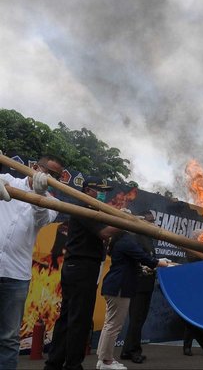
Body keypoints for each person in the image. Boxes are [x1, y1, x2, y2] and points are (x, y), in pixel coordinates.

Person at [45, 176, 120, 370]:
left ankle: (54, 363)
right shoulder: (84, 209)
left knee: (68, 317)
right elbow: (104, 233)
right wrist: (122, 221)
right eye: (99, 190)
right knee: (80, 318)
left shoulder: (92, 210)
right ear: (88, 190)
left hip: (76, 268)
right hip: (81, 268)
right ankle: (73, 365)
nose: (103, 195)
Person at [0, 154, 64, 370]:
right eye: (47, 171)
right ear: (35, 167)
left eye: (56, 176)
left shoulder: (53, 203)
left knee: (8, 337)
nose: (50, 177)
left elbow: (42, 219)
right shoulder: (10, 180)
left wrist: (38, 195)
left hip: (16, 276)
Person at [96, 229, 168, 370]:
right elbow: (144, 257)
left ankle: (103, 358)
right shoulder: (126, 241)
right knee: (114, 326)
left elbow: (132, 262)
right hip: (120, 287)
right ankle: (106, 361)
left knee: (109, 324)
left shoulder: (119, 241)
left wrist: (144, 268)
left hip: (115, 285)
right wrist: (160, 262)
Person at [120, 212, 157, 364]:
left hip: (146, 285)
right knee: (136, 319)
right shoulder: (136, 237)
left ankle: (127, 350)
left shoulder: (147, 238)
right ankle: (134, 351)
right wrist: (152, 264)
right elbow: (139, 259)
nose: (153, 223)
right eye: (150, 221)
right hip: (139, 285)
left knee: (138, 320)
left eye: (153, 221)